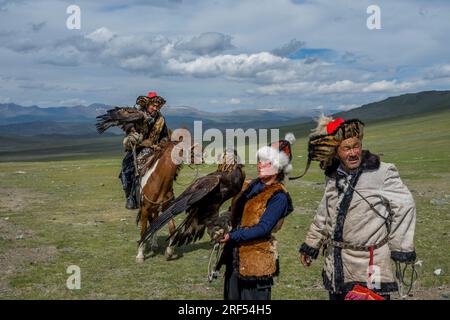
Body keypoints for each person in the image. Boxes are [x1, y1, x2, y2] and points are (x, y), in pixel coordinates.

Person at [297, 115, 417, 300]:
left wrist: (400, 247)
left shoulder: (382, 173)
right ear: (337, 152)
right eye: (346, 148)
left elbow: (405, 205)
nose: (352, 153)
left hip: (371, 263)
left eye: (356, 146)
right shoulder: (333, 177)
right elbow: (324, 214)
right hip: (337, 263)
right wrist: (311, 245)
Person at [218, 133, 296, 300]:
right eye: (259, 160)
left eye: (265, 161)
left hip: (256, 263)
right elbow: (232, 211)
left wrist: (232, 235)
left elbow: (263, 228)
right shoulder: (250, 184)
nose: (259, 164)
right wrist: (220, 223)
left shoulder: (279, 196)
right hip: (233, 258)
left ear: (278, 167)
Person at [120, 91, 170, 209]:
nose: (155, 108)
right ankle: (131, 197)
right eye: (153, 105)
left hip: (155, 148)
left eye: (157, 106)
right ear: (147, 104)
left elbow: (164, 135)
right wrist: (132, 136)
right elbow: (128, 128)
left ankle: (168, 193)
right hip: (138, 147)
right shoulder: (137, 115)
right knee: (127, 169)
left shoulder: (161, 119)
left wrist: (163, 142)